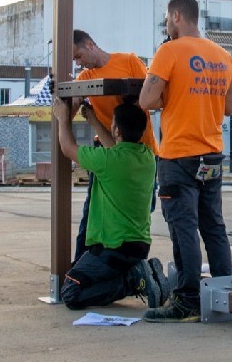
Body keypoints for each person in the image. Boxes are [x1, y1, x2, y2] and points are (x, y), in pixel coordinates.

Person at [139, 0, 232, 323]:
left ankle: (188, 301)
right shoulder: (224, 56)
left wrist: (170, 91)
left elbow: (146, 100)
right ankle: (224, 294)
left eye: (168, 19)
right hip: (212, 155)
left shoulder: (169, 51)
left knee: (184, 228)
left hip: (179, 155)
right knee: (214, 226)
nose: (167, 25)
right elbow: (227, 108)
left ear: (177, 17)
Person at [51, 97, 168, 310]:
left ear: (116, 130)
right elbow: (116, 147)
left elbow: (68, 148)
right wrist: (94, 120)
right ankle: (139, 275)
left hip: (111, 250)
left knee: (71, 291)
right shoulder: (147, 157)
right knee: (89, 278)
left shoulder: (107, 161)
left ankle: (133, 280)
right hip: (137, 248)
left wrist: (62, 118)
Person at [70, 29, 159, 264]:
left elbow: (148, 96)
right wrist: (67, 100)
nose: (79, 64)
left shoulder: (129, 61)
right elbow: (72, 105)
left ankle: (133, 268)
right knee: (92, 213)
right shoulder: (85, 78)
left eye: (78, 56)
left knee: (139, 214)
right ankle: (80, 268)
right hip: (110, 150)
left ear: (90, 44)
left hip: (141, 150)